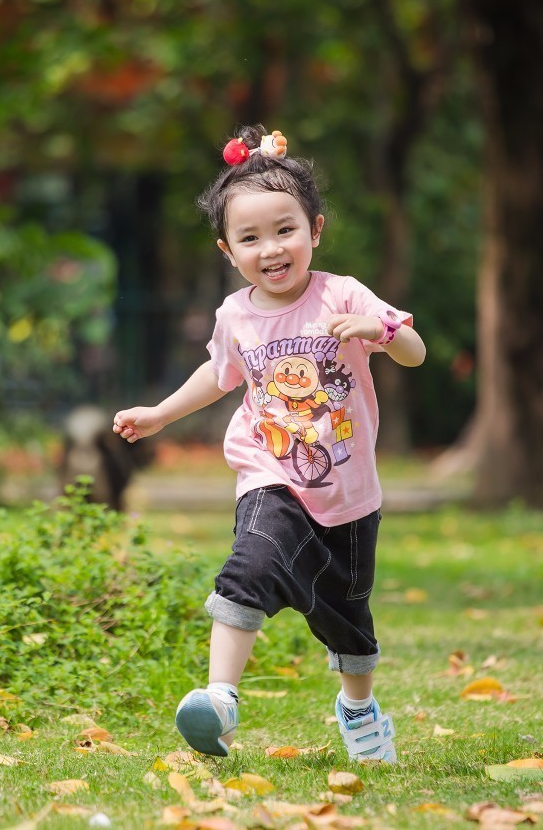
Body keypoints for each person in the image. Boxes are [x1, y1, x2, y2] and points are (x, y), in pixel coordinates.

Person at [113, 125, 425, 763]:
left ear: (315, 229)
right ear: (229, 251)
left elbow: (416, 353)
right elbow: (217, 375)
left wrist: (381, 329)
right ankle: (219, 700)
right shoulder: (236, 315)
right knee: (248, 567)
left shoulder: (342, 295)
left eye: (285, 230)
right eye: (250, 238)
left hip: (348, 495)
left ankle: (359, 710)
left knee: (349, 620)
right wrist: (159, 414)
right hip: (270, 474)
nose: (271, 248)